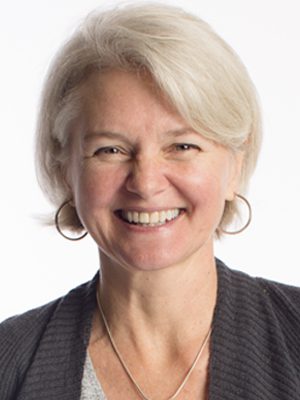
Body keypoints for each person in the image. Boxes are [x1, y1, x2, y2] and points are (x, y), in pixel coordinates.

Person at [1, 3, 300, 400]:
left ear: (235, 166)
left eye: (182, 145)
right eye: (110, 150)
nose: (145, 182)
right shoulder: (9, 363)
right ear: (65, 171)